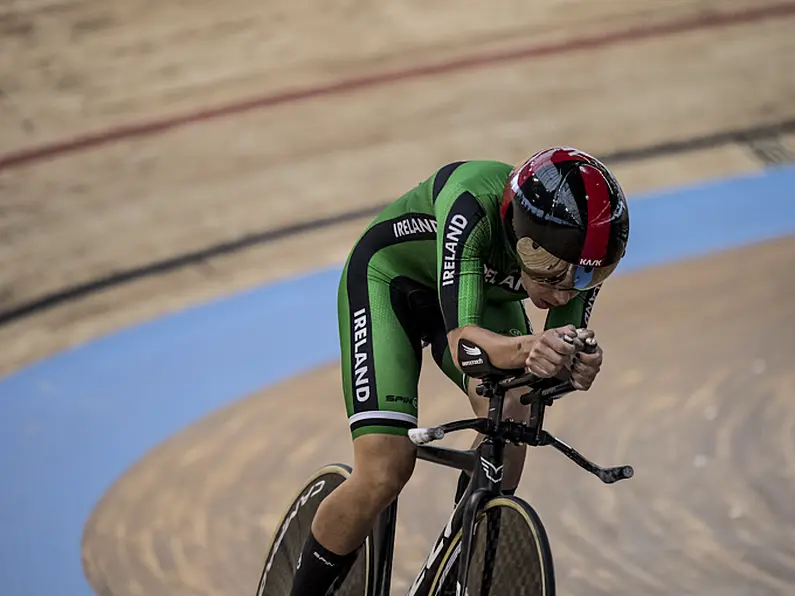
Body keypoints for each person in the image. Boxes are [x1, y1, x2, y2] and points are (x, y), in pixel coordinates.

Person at [289, 146, 630, 595]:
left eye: (586, 280)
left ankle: (453, 567)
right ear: (521, 236)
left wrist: (573, 368)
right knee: (385, 468)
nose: (566, 295)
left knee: (514, 414)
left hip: (478, 299)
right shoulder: (474, 206)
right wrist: (532, 345)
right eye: (550, 275)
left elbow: (546, 368)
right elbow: (464, 344)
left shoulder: (577, 262)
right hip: (391, 285)